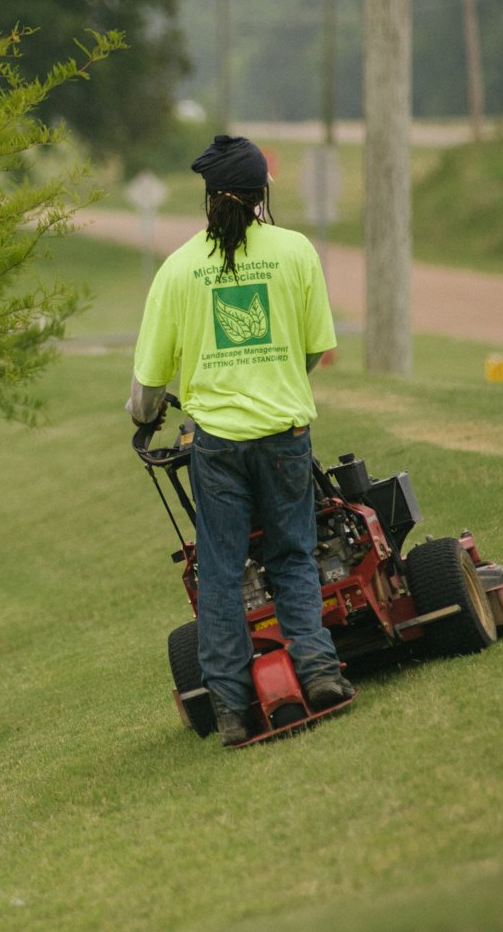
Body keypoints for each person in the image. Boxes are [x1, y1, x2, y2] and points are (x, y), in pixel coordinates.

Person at [127, 134, 351, 746]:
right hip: (285, 434)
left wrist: (141, 415)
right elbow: (312, 348)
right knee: (293, 556)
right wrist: (275, 382)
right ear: (261, 196)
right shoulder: (296, 252)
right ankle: (320, 671)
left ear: (208, 198)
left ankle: (230, 709)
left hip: (216, 445)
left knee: (222, 573)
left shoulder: (177, 270)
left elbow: (148, 386)